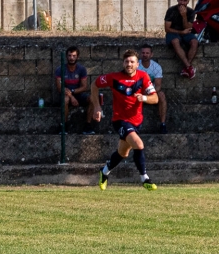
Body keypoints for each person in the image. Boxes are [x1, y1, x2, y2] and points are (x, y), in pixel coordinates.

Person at [90, 49, 159, 191]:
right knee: (139, 144)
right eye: (126, 61)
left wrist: (144, 98)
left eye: (132, 61)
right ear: (123, 63)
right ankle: (144, 178)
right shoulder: (114, 77)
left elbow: (155, 98)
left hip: (137, 121)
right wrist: (97, 107)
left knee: (123, 153)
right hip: (120, 120)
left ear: (137, 64)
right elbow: (94, 85)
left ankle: (104, 173)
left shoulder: (144, 77)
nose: (129, 64)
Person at [55, 46, 95, 134]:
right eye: (69, 56)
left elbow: (84, 86)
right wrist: (71, 97)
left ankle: (87, 126)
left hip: (78, 94)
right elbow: (60, 88)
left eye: (74, 56)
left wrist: (73, 92)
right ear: (66, 56)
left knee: (93, 99)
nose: (71, 58)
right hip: (66, 95)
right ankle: (64, 125)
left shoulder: (81, 69)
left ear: (77, 57)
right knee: (65, 99)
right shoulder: (60, 69)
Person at [165, 0, 199, 79]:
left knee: (194, 42)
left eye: (184, 1)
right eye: (180, 0)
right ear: (177, 0)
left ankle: (186, 68)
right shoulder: (171, 10)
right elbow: (167, 28)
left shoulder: (191, 12)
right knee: (175, 41)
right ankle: (189, 67)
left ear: (188, 2)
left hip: (186, 33)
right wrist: (181, 32)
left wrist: (184, 16)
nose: (182, 3)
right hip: (173, 32)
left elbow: (188, 27)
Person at [138, 44, 167, 133]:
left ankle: (163, 124)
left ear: (151, 54)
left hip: (152, 91)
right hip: (139, 90)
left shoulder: (156, 67)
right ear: (140, 54)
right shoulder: (136, 66)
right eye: (143, 53)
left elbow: (158, 85)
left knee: (161, 95)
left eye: (147, 53)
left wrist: (150, 93)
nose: (145, 55)